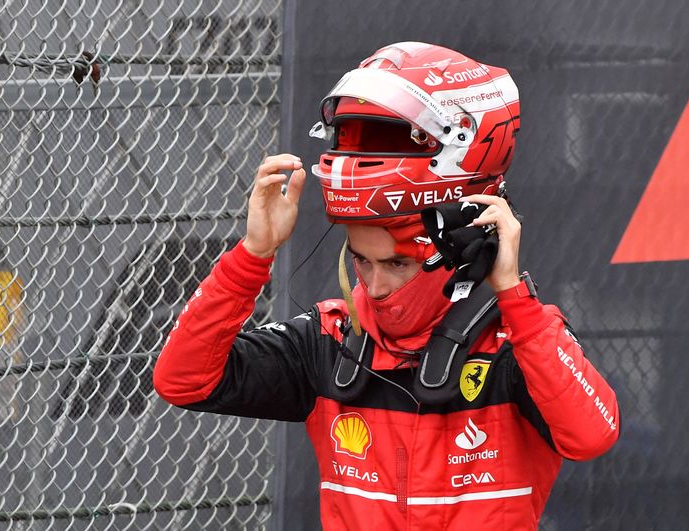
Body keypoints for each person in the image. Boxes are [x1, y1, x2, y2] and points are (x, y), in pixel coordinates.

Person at [153, 41, 620, 530]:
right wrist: (253, 256)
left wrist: (515, 301)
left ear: (467, 245)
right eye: (361, 261)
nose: (375, 286)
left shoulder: (518, 343)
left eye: (397, 264)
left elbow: (592, 436)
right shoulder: (330, 341)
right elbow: (181, 381)